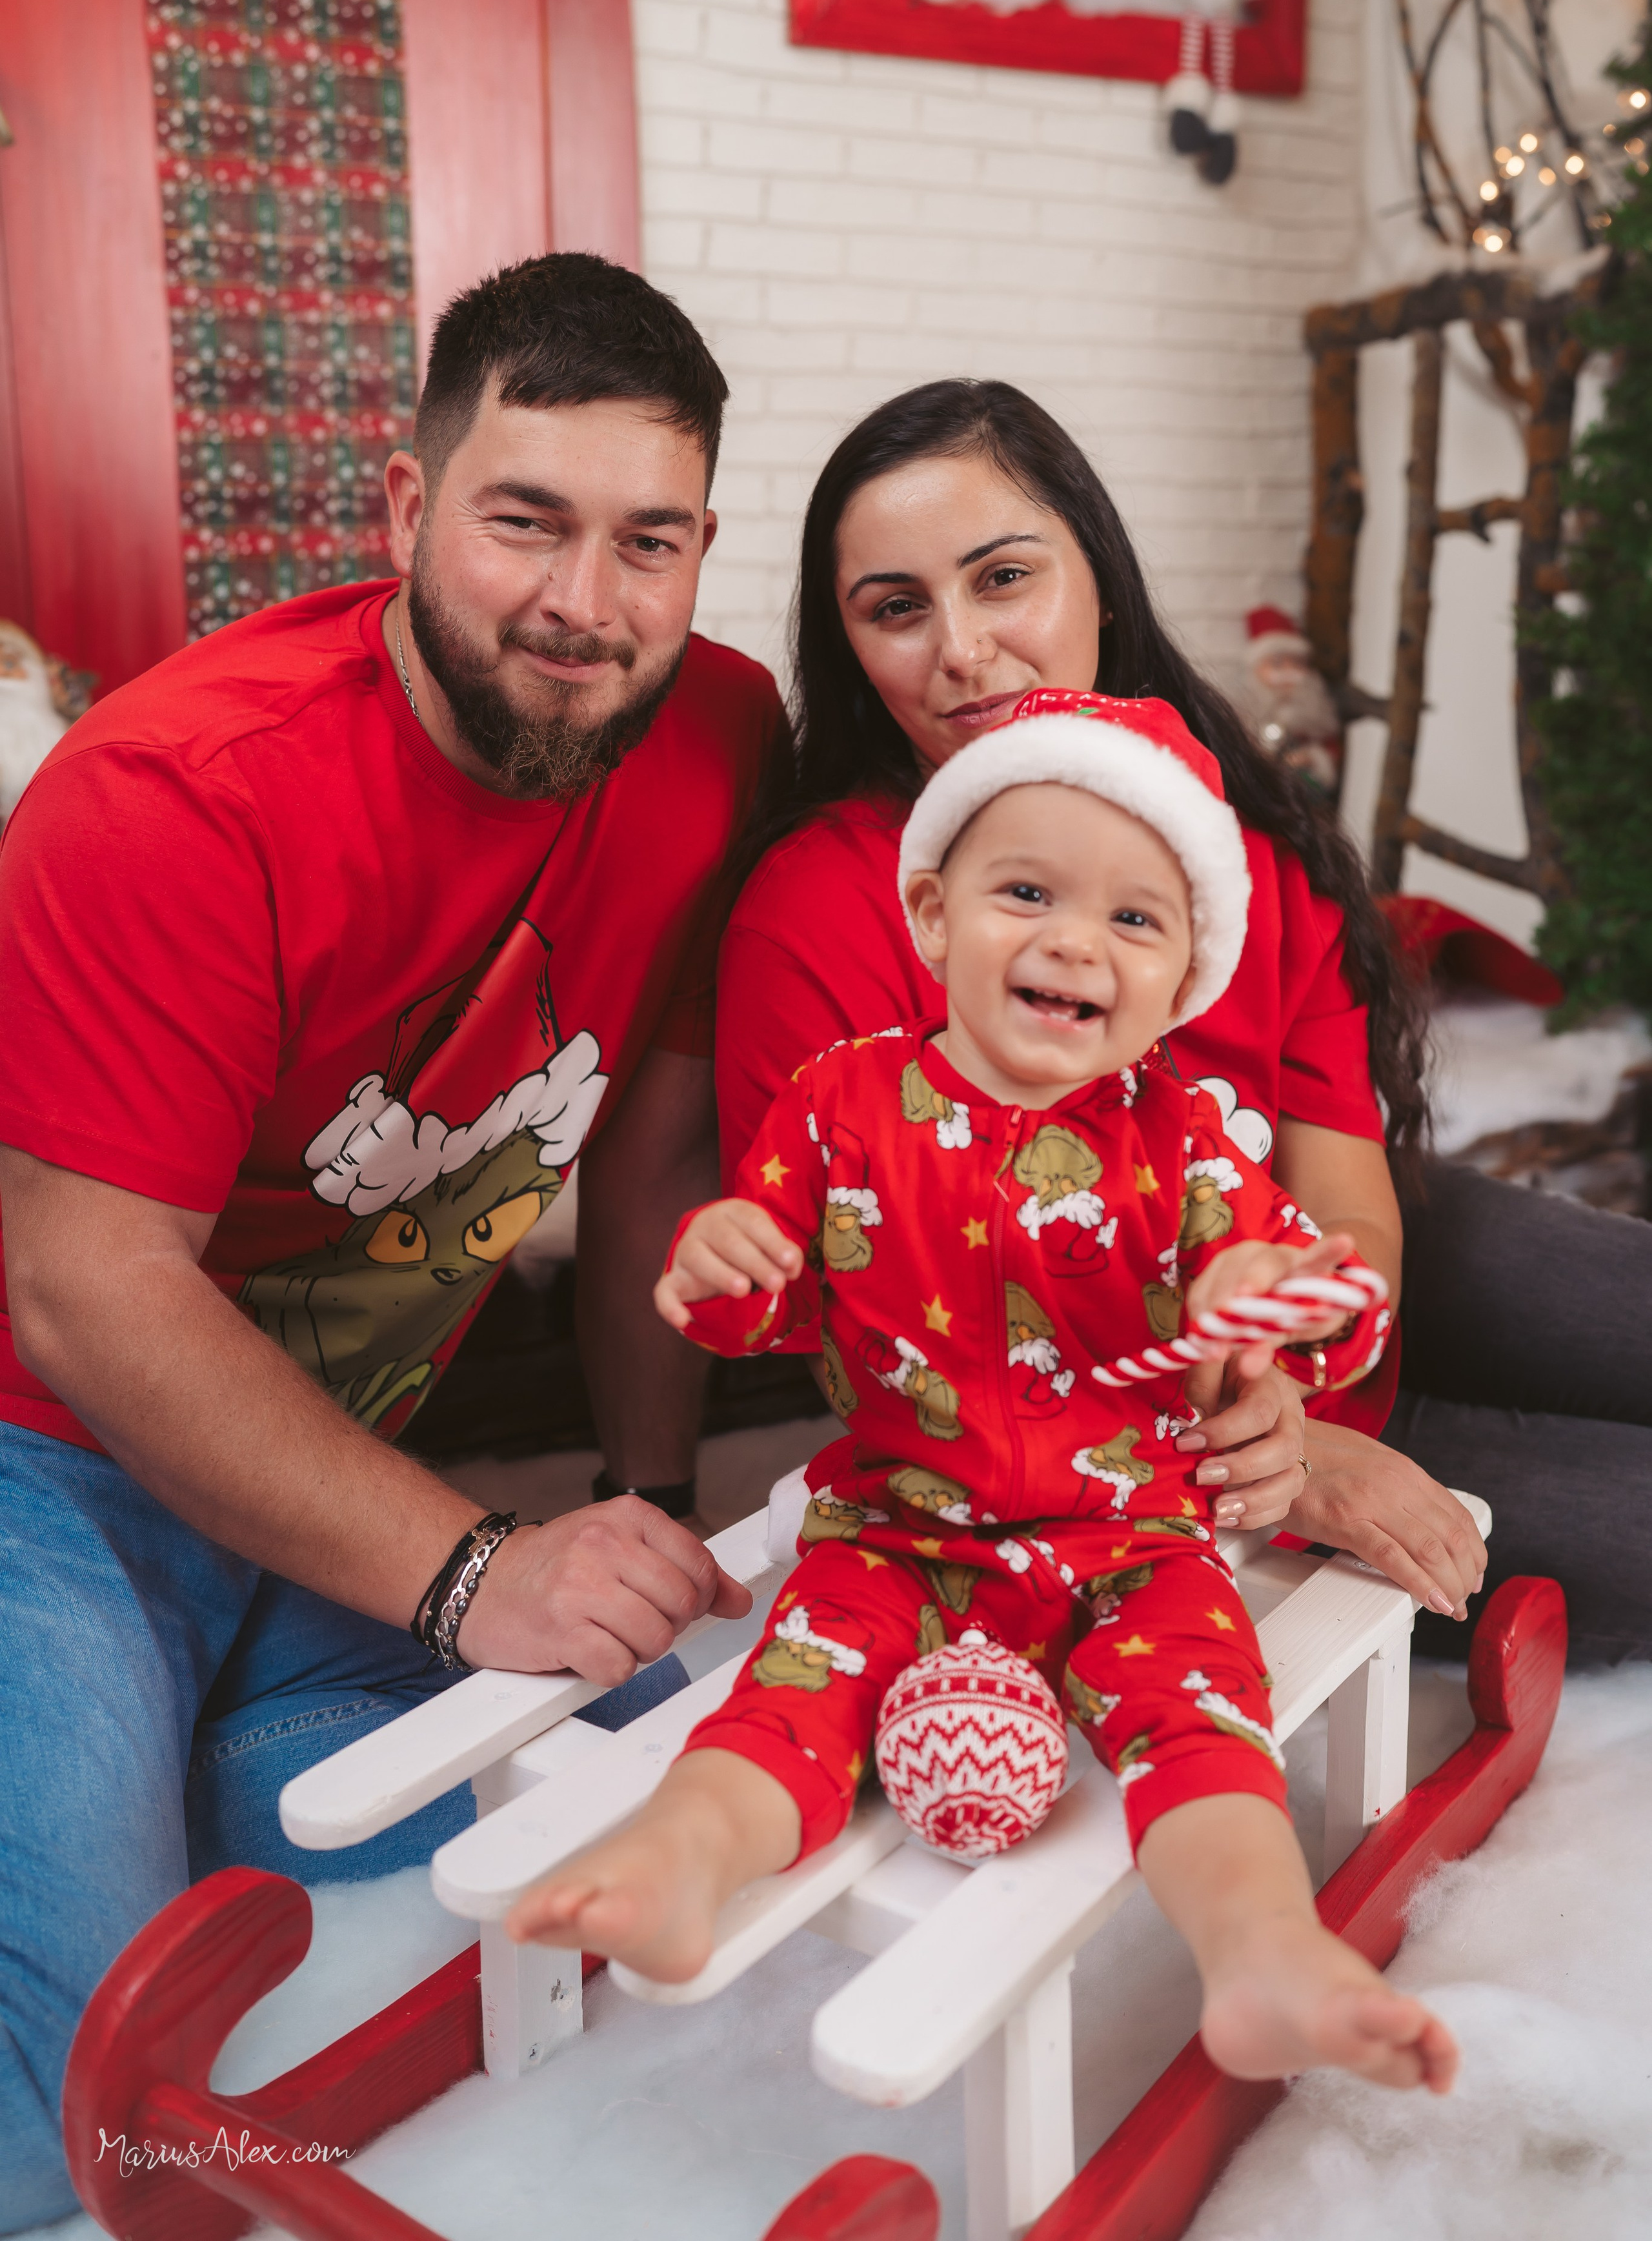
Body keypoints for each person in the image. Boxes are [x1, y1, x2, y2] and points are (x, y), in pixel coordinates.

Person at [0, 254, 781, 2229]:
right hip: (44, 1457)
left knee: (667, 1750)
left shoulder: (717, 735)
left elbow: (660, 1143)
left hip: (327, 1446)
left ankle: (180, 1754)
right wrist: (469, 1573)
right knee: (83, 2099)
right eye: (525, 520)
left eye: (648, 540)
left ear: (702, 552)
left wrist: (637, 1502)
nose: (584, 603)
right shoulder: (176, 794)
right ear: (408, 507)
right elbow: (84, 1293)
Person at [510, 693, 1455, 2098]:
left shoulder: (1186, 1144)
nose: (1075, 940)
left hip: (1133, 1542)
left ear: (1184, 980)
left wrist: (1290, 1296)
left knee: (1205, 1729)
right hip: (896, 1528)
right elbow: (767, 1311)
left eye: (1134, 920)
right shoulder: (840, 1106)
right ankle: (681, 1860)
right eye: (1027, 893)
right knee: (784, 1703)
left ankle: (1260, 1951)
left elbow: (1325, 1326)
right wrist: (720, 1262)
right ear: (933, 916)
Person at [712, 379, 1652, 1664]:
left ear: (1100, 582)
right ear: (852, 650)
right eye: (896, 608)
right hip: (1111, 1467)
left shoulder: (1242, 849)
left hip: (1323, 1306)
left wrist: (1304, 1367)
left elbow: (1347, 1193)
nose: (962, 650)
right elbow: (873, 1328)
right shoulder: (817, 911)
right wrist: (1280, 1457)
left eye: (1002, 578)